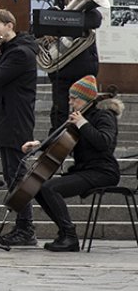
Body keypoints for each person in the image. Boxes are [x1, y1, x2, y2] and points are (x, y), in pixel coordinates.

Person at [24, 75, 123, 252]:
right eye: (70, 98)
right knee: (37, 187)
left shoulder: (104, 116)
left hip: (103, 171)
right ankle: (64, 233)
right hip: (84, 169)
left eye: (74, 99)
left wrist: (82, 123)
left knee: (50, 188)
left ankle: (70, 236)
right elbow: (60, 141)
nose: (70, 103)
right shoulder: (80, 118)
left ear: (86, 100)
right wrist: (38, 145)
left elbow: (104, 143)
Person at [0, 8, 38, 247]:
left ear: (9, 25)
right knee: (12, 176)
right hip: (7, 119)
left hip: (16, 120)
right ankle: (23, 227)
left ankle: (26, 228)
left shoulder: (20, 53)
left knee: (17, 176)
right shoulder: (12, 51)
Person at [47, 0, 103, 130]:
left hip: (83, 72)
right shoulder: (53, 12)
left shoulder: (90, 14)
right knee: (59, 111)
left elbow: (96, 19)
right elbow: (36, 30)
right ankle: (57, 142)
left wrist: (62, 22)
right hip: (61, 72)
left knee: (86, 110)